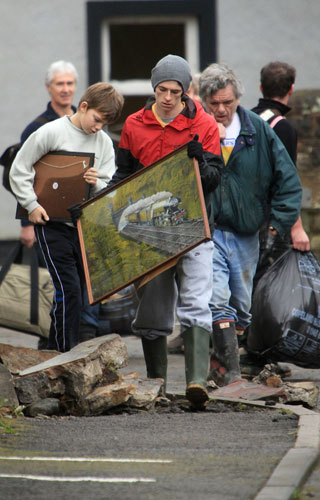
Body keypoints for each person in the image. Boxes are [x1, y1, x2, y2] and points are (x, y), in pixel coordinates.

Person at [104, 54, 222, 408]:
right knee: (153, 309)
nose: (168, 97)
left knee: (196, 301)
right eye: (161, 89)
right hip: (149, 233)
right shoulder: (133, 125)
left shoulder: (206, 125)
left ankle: (196, 383)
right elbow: (122, 177)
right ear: (154, 88)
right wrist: (107, 208)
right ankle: (156, 384)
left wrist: (200, 160)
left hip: (195, 227)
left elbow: (215, 180)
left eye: (175, 91)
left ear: (186, 92)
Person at [198, 63, 303, 387]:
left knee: (242, 306)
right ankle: (228, 374)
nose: (220, 110)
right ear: (205, 101)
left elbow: (289, 182)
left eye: (227, 102)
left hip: (247, 233)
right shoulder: (197, 130)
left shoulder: (257, 130)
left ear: (238, 98)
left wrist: (276, 227)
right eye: (213, 103)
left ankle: (229, 361)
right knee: (217, 299)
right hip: (210, 231)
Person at [9, 82, 124, 353]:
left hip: (84, 228)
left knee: (75, 294)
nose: (98, 127)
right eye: (96, 119)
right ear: (83, 107)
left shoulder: (104, 143)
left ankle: (54, 351)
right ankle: (65, 355)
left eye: (104, 124)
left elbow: (108, 191)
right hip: (50, 224)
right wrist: (31, 205)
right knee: (68, 290)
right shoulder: (51, 132)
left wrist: (97, 184)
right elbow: (19, 169)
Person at [251, 61, 309, 282]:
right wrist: (297, 228)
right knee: (272, 284)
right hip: (272, 222)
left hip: (245, 216)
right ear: (291, 89)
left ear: (260, 87)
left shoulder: (247, 119)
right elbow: (287, 182)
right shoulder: (282, 127)